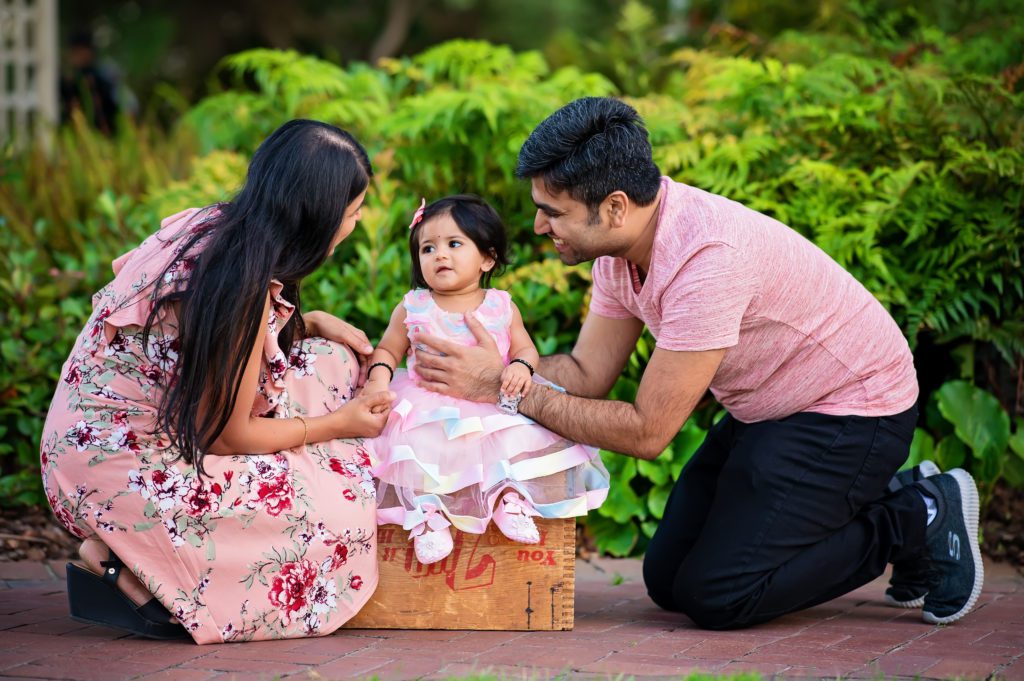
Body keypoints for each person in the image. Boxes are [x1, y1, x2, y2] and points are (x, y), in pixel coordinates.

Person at [408, 97, 984, 629]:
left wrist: (509, 391)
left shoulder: (706, 261)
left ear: (614, 208)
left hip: (850, 411)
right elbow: (587, 373)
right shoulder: (619, 248)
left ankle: (917, 516)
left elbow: (648, 432)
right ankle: (891, 499)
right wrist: (497, 366)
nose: (538, 227)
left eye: (552, 213)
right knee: (667, 581)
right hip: (768, 408)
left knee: (721, 595)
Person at [40, 119, 396, 644]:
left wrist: (307, 320)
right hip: (121, 464)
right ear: (316, 218)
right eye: (352, 212)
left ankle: (142, 551)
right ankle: (124, 560)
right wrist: (336, 425)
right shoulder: (237, 284)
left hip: (104, 428)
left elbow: (202, 347)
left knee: (332, 362)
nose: (357, 222)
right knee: (338, 513)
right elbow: (226, 437)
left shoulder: (213, 226)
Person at [363, 195, 609, 565]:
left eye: (454, 244)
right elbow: (386, 350)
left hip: (490, 401)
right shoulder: (412, 305)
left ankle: (510, 500)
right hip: (427, 403)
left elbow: (526, 350)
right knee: (420, 455)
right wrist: (379, 381)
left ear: (487, 258)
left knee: (512, 442)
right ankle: (426, 518)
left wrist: (520, 368)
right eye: (427, 248)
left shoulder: (501, 305)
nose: (439, 255)